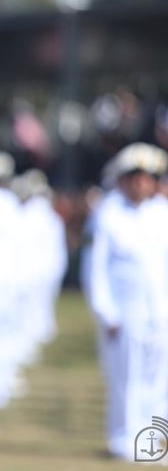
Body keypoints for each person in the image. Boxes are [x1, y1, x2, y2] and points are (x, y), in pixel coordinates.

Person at [81, 142, 168, 461]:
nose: (143, 183)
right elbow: (96, 270)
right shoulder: (108, 214)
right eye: (136, 176)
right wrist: (106, 313)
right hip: (125, 313)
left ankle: (152, 441)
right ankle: (123, 438)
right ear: (124, 179)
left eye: (149, 177)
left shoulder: (161, 213)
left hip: (160, 311)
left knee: (159, 380)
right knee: (125, 381)